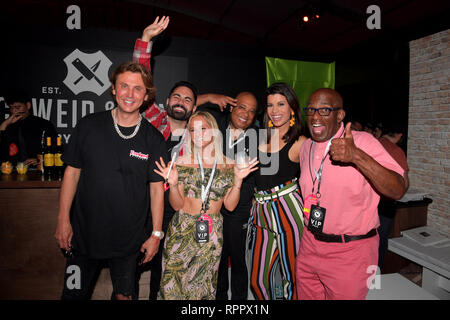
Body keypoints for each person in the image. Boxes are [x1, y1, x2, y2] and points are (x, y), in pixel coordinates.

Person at [132, 16, 238, 300]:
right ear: (166, 102)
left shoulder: (200, 134)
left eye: (188, 99)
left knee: (201, 279)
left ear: (195, 108)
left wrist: (208, 98)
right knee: (159, 274)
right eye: (175, 97)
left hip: (190, 211)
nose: (180, 101)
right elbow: (140, 81)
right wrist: (145, 40)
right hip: (155, 206)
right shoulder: (157, 122)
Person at [54, 61, 168, 300]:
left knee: (124, 297)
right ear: (114, 89)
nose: (130, 94)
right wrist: (63, 219)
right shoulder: (88, 126)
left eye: (138, 88)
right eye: (123, 86)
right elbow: (72, 174)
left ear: (146, 95)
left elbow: (157, 190)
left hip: (129, 242)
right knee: (72, 295)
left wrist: (156, 234)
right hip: (83, 236)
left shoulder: (154, 139)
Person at [296, 88, 407, 300]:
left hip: (351, 252)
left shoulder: (362, 142)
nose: (315, 116)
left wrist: (356, 156)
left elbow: (398, 189)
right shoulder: (306, 147)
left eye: (325, 110)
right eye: (310, 110)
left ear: (340, 115)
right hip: (310, 244)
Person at [154, 111, 258, 299]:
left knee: (202, 290)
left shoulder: (229, 165)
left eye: (203, 128)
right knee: (172, 289)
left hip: (211, 234)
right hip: (181, 230)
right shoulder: (181, 162)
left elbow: (230, 206)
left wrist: (238, 182)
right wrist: (174, 184)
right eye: (193, 130)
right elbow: (177, 206)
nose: (198, 134)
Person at [248, 82, 306, 300]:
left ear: (292, 107)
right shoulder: (261, 137)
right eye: (270, 105)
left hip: (288, 211)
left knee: (292, 279)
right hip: (261, 212)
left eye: (281, 104)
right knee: (257, 281)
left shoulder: (300, 141)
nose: (275, 110)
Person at [199, 91, 259, 300]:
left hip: (239, 210)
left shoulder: (257, 138)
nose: (246, 114)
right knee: (218, 259)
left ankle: (239, 302)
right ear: (232, 107)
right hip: (213, 206)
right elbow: (184, 107)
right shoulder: (214, 126)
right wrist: (208, 98)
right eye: (242, 107)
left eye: (252, 111)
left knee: (239, 261)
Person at [377, 122, 409, 269]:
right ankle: (374, 282)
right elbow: (404, 185)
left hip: (364, 203)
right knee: (380, 243)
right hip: (384, 205)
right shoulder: (396, 151)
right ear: (400, 136)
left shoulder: (371, 143)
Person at [0, 89, 56, 166]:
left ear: (28, 105)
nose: (14, 111)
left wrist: (40, 159)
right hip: (11, 172)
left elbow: (55, 149)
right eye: (11, 108)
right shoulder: (8, 126)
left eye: (17, 107)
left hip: (36, 172)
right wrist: (4, 125)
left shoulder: (43, 124)